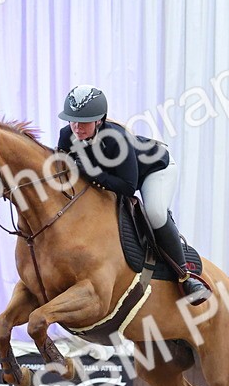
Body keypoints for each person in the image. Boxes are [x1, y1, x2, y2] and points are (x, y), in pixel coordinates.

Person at [56, 85, 211, 305]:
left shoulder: (117, 139)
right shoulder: (66, 135)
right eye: (72, 120)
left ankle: (184, 275)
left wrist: (92, 173)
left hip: (155, 170)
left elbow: (128, 187)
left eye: (83, 122)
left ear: (99, 120)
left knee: (155, 213)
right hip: (118, 176)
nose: (76, 127)